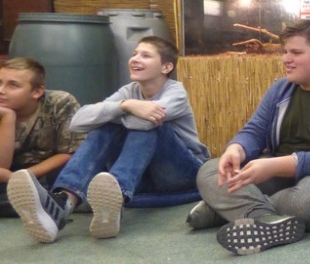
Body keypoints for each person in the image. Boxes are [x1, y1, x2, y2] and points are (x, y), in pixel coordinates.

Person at [197, 19, 310, 255]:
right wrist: (236, 149)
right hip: (279, 169)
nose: (286, 59)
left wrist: (275, 166)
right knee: (210, 171)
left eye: (296, 53)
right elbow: (254, 131)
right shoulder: (280, 89)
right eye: (285, 52)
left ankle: (227, 209)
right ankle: (265, 220)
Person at [8, 37, 208, 243]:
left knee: (148, 125)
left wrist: (112, 113)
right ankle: (63, 203)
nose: (135, 59)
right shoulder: (128, 92)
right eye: (134, 54)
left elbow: (146, 124)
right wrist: (125, 105)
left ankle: (116, 193)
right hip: (141, 179)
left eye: (146, 55)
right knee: (105, 125)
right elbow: (77, 122)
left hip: (184, 176)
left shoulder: (175, 92)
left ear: (166, 67)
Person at [0, 58, 82, 218]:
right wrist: (8, 117)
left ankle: (55, 200)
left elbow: (70, 152)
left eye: (13, 85)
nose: (1, 90)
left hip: (49, 170)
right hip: (9, 178)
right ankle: (48, 203)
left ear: (37, 92)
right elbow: (2, 167)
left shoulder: (60, 102)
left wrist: (24, 176)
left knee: (72, 176)